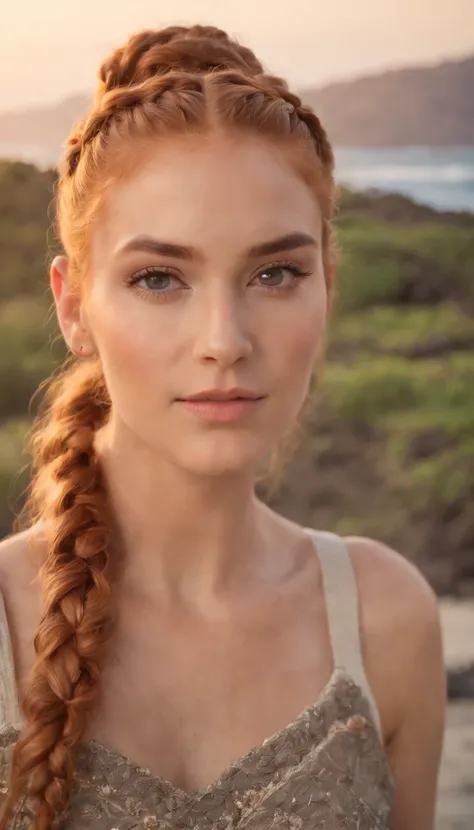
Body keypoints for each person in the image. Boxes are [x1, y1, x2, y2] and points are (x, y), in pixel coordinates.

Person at [0, 24, 446, 830]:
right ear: (73, 306)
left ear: (327, 284)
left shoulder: (387, 622)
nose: (225, 342)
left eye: (276, 274)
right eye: (159, 278)